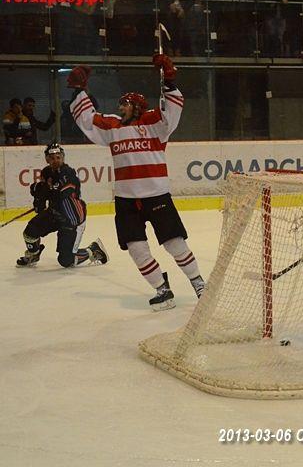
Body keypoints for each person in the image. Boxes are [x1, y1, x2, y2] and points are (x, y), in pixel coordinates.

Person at [67, 57, 205, 311]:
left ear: (138, 107)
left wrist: (169, 81)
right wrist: (79, 90)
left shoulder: (155, 124)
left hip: (157, 196)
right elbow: (87, 120)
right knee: (136, 248)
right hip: (126, 201)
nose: (121, 107)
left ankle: (198, 283)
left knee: (174, 243)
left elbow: (172, 111)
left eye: (125, 103)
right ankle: (162, 289)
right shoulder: (112, 126)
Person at [17, 143, 108, 268]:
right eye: (52, 158)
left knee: (66, 261)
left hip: (72, 219)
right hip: (55, 213)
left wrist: (46, 191)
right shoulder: (47, 172)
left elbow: (63, 193)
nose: (55, 160)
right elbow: (42, 192)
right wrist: (39, 201)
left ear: (63, 157)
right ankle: (33, 254)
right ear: (47, 159)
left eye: (58, 157)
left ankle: (93, 250)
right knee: (30, 233)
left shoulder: (68, 173)